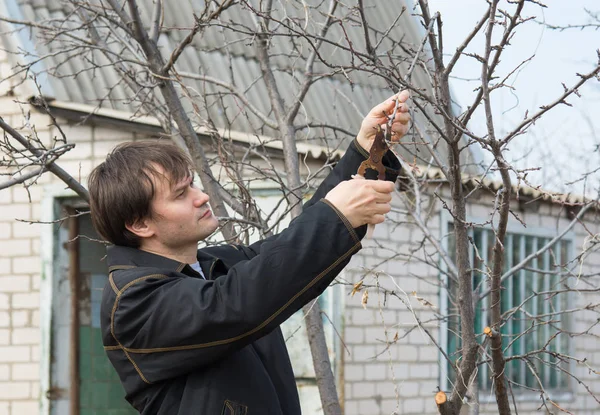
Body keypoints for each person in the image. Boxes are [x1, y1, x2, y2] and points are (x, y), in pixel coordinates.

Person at [88, 92, 410, 415]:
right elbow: (238, 301)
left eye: (193, 185)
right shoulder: (132, 303)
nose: (201, 197)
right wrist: (335, 216)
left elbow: (282, 254)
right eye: (181, 194)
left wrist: (366, 154)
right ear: (140, 224)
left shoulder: (211, 265)